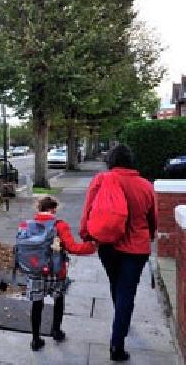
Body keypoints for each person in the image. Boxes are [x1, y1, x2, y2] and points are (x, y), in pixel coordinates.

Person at [79, 144, 157, 361]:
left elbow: (88, 210)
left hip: (107, 245)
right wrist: (149, 235)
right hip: (136, 248)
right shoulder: (145, 186)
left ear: (111, 161)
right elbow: (153, 219)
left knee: (116, 284)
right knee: (127, 291)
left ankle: (121, 318)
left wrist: (86, 234)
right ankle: (117, 344)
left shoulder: (101, 180)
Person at [26, 196, 97, 351]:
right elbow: (72, 248)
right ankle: (56, 331)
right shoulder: (59, 225)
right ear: (53, 209)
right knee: (59, 300)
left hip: (36, 271)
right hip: (56, 272)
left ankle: (35, 339)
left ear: (39, 209)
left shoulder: (29, 225)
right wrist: (92, 247)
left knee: (37, 304)